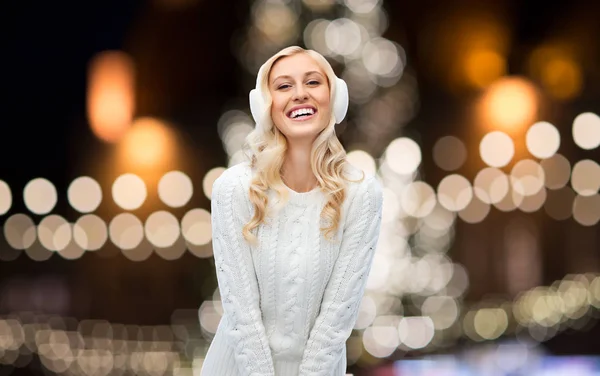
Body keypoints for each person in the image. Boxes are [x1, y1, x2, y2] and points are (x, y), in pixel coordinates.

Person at [201, 46, 383, 376]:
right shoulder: (234, 189)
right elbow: (241, 316)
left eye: (313, 82)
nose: (300, 94)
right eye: (284, 86)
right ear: (264, 105)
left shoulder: (362, 194)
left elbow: (336, 321)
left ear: (335, 97)